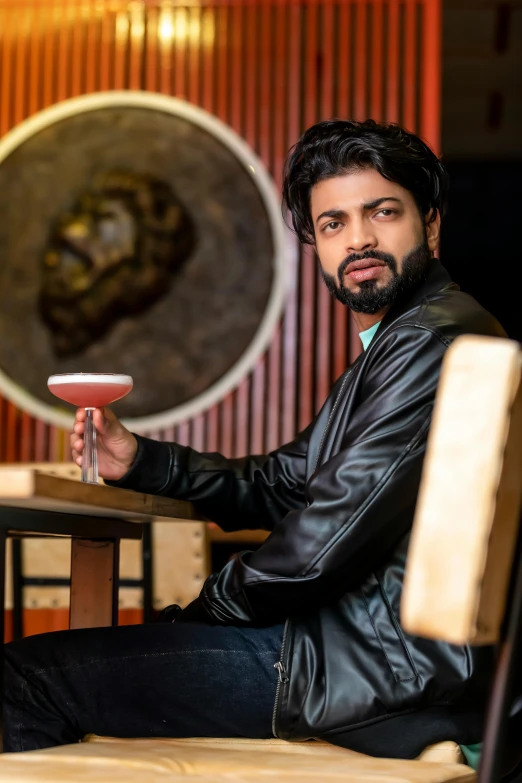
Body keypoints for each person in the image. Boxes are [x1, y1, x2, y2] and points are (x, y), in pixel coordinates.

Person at [3, 120, 514, 768]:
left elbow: (320, 546)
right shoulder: (400, 344)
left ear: (431, 225)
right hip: (371, 658)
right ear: (316, 244)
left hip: (367, 672)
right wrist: (141, 459)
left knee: (22, 678)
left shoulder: (432, 341)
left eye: (382, 212)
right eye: (332, 223)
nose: (357, 238)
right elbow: (283, 482)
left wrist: (200, 613)